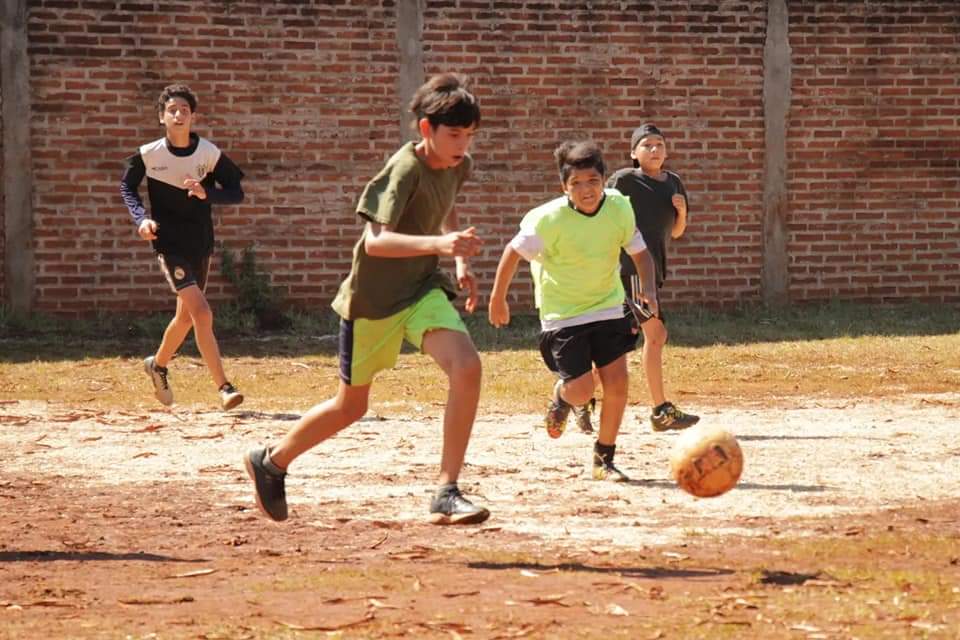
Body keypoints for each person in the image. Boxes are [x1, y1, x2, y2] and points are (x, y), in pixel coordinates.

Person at [244, 73, 489, 525]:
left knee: (467, 366)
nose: (463, 144)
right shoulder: (403, 169)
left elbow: (447, 202)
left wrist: (457, 259)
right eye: (454, 134)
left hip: (421, 290)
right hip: (372, 301)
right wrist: (441, 244)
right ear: (426, 129)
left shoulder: (458, 164)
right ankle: (272, 462)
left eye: (469, 135)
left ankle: (446, 490)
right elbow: (376, 242)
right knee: (351, 406)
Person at [488, 141, 658, 481]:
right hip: (563, 313)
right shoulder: (548, 219)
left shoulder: (619, 208)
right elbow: (512, 252)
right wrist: (497, 298)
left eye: (593, 181)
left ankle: (603, 459)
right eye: (576, 183)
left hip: (608, 306)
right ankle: (562, 396)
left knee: (618, 384)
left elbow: (640, 253)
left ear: (604, 180)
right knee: (581, 390)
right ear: (563, 186)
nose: (586, 190)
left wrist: (649, 290)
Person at [120, 83, 245, 411]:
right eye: (172, 110)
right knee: (202, 312)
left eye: (184, 110)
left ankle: (157, 365)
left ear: (193, 117)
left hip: (200, 243)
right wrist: (141, 219)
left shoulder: (208, 153)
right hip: (168, 243)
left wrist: (208, 194)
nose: (178, 115)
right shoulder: (149, 154)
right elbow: (127, 187)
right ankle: (224, 387)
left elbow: (236, 191)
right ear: (161, 117)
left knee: (187, 318)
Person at [607, 123, 699, 432]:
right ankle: (661, 410)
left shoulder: (673, 182)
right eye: (647, 145)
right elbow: (602, 214)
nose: (655, 149)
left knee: (619, 345)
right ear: (634, 153)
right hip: (630, 270)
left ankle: (573, 394)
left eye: (659, 144)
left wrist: (681, 213)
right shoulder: (624, 180)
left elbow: (677, 232)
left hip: (653, 270)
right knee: (656, 335)